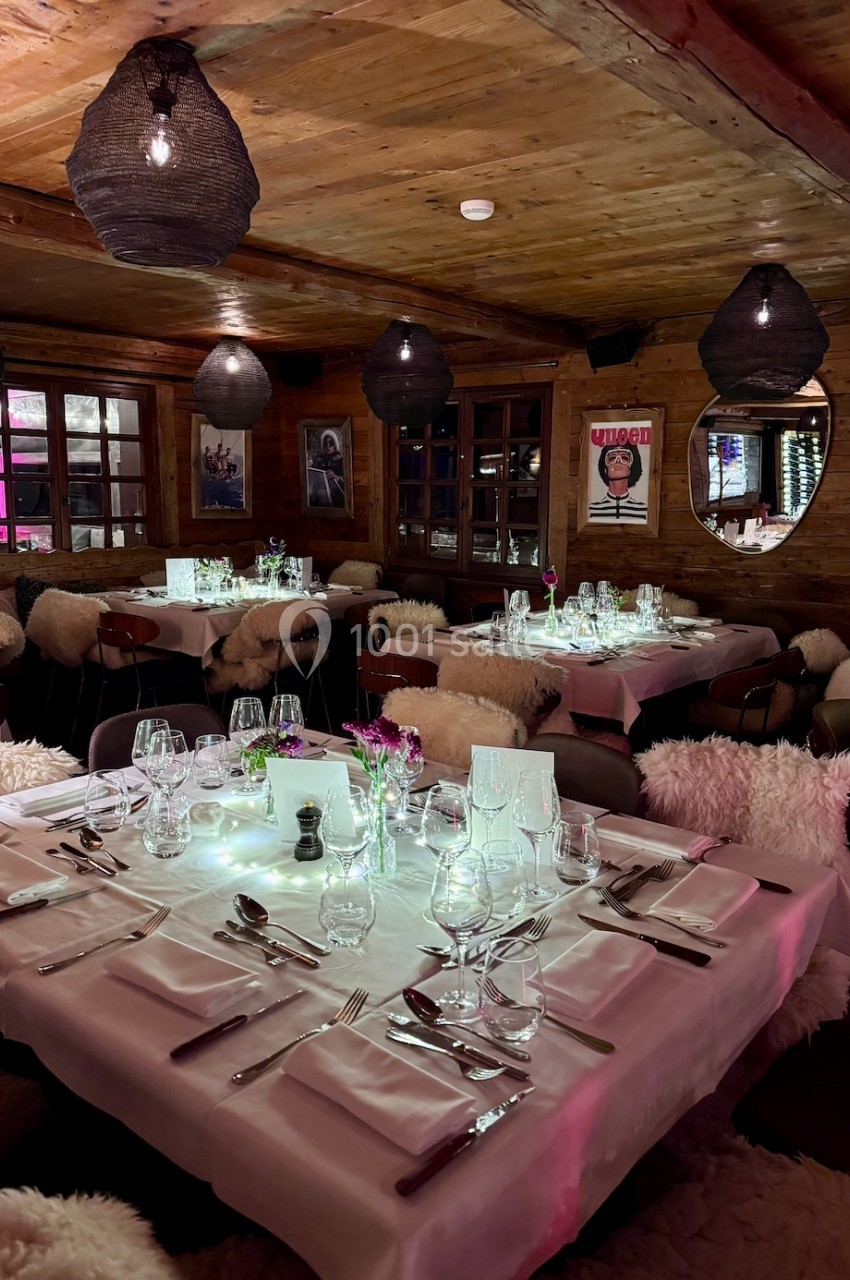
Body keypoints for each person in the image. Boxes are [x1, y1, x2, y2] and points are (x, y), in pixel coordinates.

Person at [587, 443, 647, 522]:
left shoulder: (643, 510)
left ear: (632, 467)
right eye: (612, 458)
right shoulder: (592, 510)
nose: (618, 461)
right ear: (605, 467)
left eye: (624, 458)